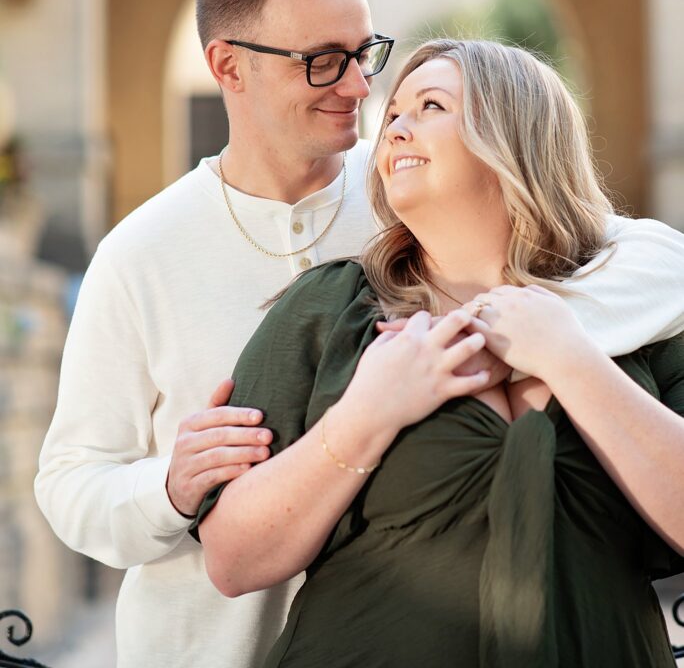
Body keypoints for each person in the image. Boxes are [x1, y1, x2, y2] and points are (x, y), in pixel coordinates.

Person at [35, 0, 683, 668]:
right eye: (321, 60)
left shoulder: (413, 181)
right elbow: (72, 480)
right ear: (228, 66)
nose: (360, 87)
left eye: (364, 52)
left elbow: (633, 252)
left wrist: (526, 338)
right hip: (219, 647)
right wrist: (171, 488)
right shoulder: (140, 253)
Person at [195, 39, 684, 668]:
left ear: (514, 137)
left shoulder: (642, 309)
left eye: (431, 105)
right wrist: (369, 413)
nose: (395, 125)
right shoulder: (333, 309)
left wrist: (571, 359)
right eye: (394, 111)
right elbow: (233, 561)